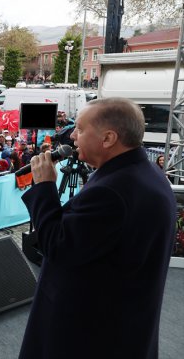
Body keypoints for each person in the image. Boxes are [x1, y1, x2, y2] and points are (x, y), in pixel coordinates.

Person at [19, 98, 176, 359]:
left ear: (108, 138)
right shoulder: (147, 174)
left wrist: (44, 187)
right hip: (125, 322)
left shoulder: (111, 191)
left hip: (91, 332)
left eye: (80, 128)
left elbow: (57, 245)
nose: (72, 135)